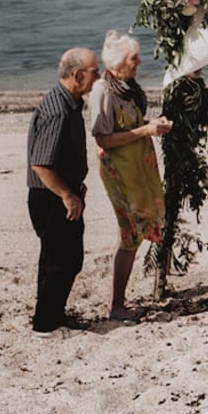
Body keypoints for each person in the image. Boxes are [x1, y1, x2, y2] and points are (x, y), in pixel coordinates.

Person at [88, 30, 172, 321]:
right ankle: (116, 305)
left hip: (138, 166)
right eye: (134, 58)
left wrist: (153, 124)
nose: (139, 62)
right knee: (130, 233)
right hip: (120, 172)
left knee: (136, 233)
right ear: (118, 62)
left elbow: (131, 125)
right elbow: (103, 138)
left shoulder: (127, 86)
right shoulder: (102, 90)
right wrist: (145, 130)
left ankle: (118, 301)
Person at [26, 47, 98, 338]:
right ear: (77, 75)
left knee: (69, 258)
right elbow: (41, 164)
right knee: (58, 261)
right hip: (51, 197)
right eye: (94, 72)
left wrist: (75, 184)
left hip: (63, 192)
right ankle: (45, 325)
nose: (98, 78)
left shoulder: (71, 104)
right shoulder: (57, 110)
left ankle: (55, 314)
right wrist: (67, 195)